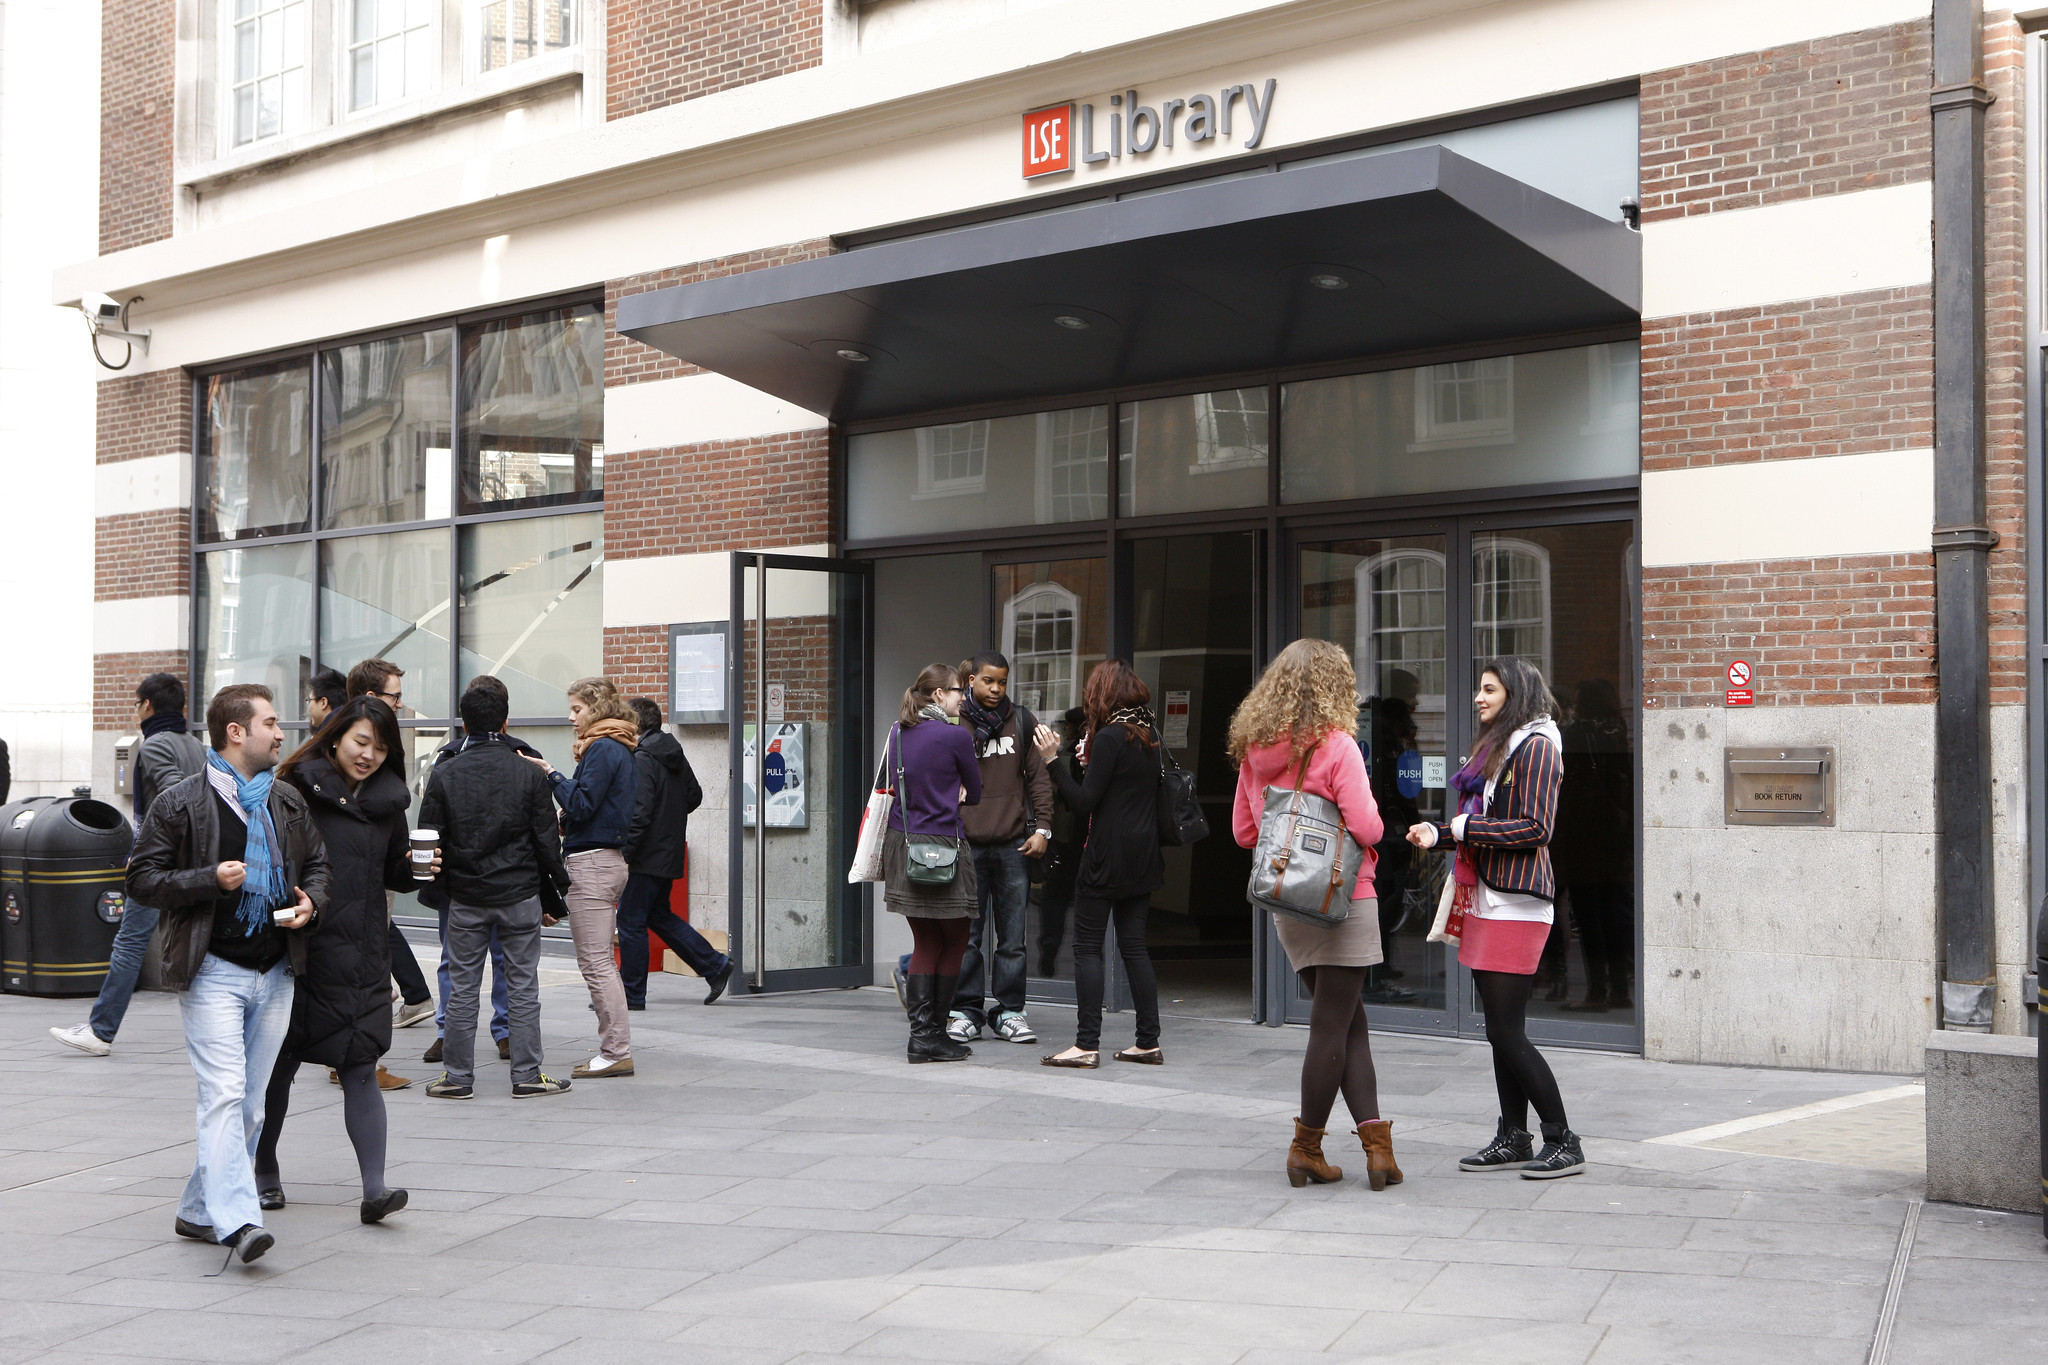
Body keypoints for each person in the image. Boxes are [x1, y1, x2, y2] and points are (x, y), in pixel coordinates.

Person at [125, 684, 326, 1266]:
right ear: (236, 733)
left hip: (277, 969)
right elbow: (141, 879)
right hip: (212, 969)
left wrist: (312, 901)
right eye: (270, 723)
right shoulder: (181, 802)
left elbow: (318, 863)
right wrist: (208, 879)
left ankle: (196, 1209)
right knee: (224, 1095)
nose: (281, 733)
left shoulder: (285, 799)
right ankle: (237, 1221)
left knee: (251, 1106)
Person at [1406, 655, 1583, 1179]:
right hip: (1489, 898)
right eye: (1480, 689)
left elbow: (1534, 828)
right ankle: (1513, 1136)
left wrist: (1460, 830)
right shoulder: (1504, 746)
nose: (1478, 698)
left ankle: (1563, 1141)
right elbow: (1486, 822)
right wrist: (1440, 834)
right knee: (1500, 1031)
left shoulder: (1539, 746)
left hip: (1518, 905)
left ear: (1516, 694)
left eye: (1489, 690)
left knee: (1506, 1032)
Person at [1229, 639, 1396, 1190]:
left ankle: (1379, 1150)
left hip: (1290, 903)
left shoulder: (1255, 751)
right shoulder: (1338, 746)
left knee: (1348, 1024)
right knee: (1332, 1027)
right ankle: (1306, 1148)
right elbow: (1368, 828)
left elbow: (1246, 833)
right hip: (1344, 900)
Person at [255, 697, 424, 1223]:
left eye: (381, 748)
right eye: (361, 742)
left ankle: (375, 1190)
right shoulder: (294, 790)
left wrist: (416, 868)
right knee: (277, 1068)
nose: (370, 755)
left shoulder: (388, 801)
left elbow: (390, 871)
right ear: (335, 738)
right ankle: (263, 1172)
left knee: (360, 1064)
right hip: (300, 950)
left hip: (363, 951)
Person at [419, 677, 571, 1100]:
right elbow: (547, 844)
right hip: (520, 895)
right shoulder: (529, 773)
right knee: (523, 985)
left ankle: (456, 1077)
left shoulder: (445, 772)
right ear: (505, 723)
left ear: (464, 724)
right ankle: (527, 1075)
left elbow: (429, 838)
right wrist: (556, 894)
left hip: (466, 897)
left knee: (463, 987)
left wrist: (439, 887)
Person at [52, 672, 207, 1056]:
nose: (136, 711)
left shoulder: (154, 745)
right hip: (194, 861)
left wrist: (142, 850)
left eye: (137, 704)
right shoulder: (196, 745)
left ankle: (100, 1031)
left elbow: (177, 795)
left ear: (147, 706)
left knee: (130, 942)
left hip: (159, 863)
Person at [1031, 660, 1164, 1069]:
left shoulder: (1109, 737)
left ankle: (1086, 1044)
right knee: (1134, 946)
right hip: (1144, 856)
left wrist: (1052, 760)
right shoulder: (1148, 735)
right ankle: (1148, 1042)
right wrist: (1090, 765)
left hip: (1106, 856)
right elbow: (1121, 788)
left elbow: (1084, 801)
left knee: (1087, 947)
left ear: (1102, 694)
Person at [523, 677, 639, 1079]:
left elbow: (583, 803)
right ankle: (615, 1050)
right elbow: (596, 806)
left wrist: (551, 773)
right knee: (601, 961)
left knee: (596, 964)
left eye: (577, 709)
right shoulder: (617, 746)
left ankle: (615, 1052)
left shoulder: (603, 747)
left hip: (593, 864)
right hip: (604, 860)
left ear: (597, 707)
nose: (571, 717)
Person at [945, 652, 1051, 1046]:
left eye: (1002, 682)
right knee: (966, 937)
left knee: (1012, 939)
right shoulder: (954, 722)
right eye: (988, 681)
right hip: (966, 845)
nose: (996, 689)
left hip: (1013, 846)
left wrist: (1044, 829)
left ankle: (1010, 1013)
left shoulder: (1020, 720)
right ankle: (966, 1013)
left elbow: (1039, 780)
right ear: (970, 680)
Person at [881, 663, 980, 1063]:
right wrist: (956, 788)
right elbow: (976, 792)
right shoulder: (956, 736)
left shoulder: (897, 732)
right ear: (939, 694)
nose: (963, 699)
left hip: (903, 844)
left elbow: (894, 783)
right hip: (944, 847)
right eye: (958, 691)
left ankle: (923, 1037)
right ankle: (932, 1034)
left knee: (925, 940)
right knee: (955, 939)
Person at [340, 660, 436, 1040]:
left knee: (375, 940)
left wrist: (409, 866)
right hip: (341, 883)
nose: (399, 704)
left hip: (377, 872)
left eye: (379, 749)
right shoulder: (320, 769)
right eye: (394, 697)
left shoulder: (386, 764)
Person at [618, 697, 734, 1008]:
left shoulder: (643, 758)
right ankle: (715, 965)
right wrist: (668, 818)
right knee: (658, 916)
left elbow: (639, 813)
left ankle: (630, 994)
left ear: (635, 723)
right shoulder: (672, 752)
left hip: (645, 856)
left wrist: (625, 854)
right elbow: (694, 796)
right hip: (667, 851)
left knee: (630, 920)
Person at [1555, 678, 1634, 1013]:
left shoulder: (1574, 735)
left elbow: (1564, 786)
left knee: (1589, 915)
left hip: (1583, 835)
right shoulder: (1620, 732)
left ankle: (1597, 991)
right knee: (1615, 914)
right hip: (1616, 835)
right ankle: (1620, 989)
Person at [1032, 707, 1086, 977]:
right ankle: (1086, 954)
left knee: (1055, 897)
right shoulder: (1080, 758)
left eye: (1068, 726)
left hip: (1066, 838)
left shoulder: (1063, 760)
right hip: (1080, 839)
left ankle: (1050, 948)